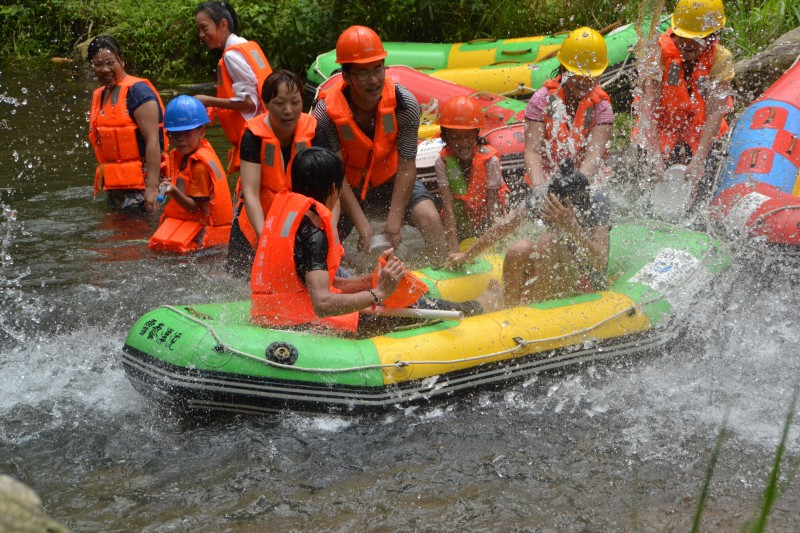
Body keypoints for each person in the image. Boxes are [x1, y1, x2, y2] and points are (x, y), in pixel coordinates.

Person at [251, 147, 483, 335]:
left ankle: (472, 305)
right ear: (334, 189)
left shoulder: (294, 221)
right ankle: (476, 307)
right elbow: (322, 303)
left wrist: (370, 280)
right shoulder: (314, 235)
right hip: (300, 322)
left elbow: (321, 283)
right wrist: (379, 292)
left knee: (396, 299)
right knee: (410, 308)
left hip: (275, 312)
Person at [312, 25, 448, 263]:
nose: (373, 80)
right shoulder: (325, 114)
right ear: (346, 76)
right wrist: (364, 228)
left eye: (378, 69)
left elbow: (407, 168)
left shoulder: (404, 104)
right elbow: (335, 176)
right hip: (347, 187)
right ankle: (338, 276)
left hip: (391, 179)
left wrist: (393, 226)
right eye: (363, 73)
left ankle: (436, 273)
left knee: (429, 217)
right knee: (324, 237)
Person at [444, 170, 610, 307]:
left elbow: (600, 261)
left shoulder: (596, 201)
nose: (554, 212)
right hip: (552, 273)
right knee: (520, 248)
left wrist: (573, 228)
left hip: (586, 280)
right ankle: (509, 307)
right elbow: (503, 227)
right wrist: (467, 255)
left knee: (549, 241)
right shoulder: (543, 198)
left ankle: (537, 307)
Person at [633, 0, 734, 197]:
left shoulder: (720, 59)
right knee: (648, 185)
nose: (687, 45)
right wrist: (654, 155)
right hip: (660, 125)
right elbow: (647, 108)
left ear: (712, 36)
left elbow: (715, 113)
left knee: (701, 186)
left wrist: (699, 160)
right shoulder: (657, 53)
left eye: (695, 39)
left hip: (698, 129)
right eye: (682, 37)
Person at [226, 70, 316, 278]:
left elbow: (329, 189)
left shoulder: (313, 130)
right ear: (265, 105)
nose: (288, 111)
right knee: (237, 280)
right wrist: (266, 240)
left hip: (298, 220)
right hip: (255, 221)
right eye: (279, 103)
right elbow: (250, 192)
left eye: (295, 102)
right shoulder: (253, 136)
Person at [522, 26, 614, 191]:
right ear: (564, 70)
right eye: (578, 76)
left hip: (585, 183)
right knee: (530, 206)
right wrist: (539, 190)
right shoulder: (541, 101)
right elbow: (532, 151)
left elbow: (594, 156)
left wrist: (576, 185)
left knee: (600, 207)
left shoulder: (602, 108)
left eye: (590, 76)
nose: (584, 82)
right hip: (545, 181)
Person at [87, 35, 167, 213]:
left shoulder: (138, 92)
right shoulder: (100, 95)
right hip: (116, 186)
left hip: (142, 185)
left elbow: (153, 141)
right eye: (98, 65)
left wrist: (152, 189)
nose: (105, 69)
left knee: (134, 238)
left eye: (110, 62)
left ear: (122, 61)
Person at [193, 1, 272, 173]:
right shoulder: (245, 45)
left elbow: (250, 102)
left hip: (257, 137)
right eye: (198, 30)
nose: (201, 34)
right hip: (267, 130)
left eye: (204, 28)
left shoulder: (231, 55)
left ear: (223, 24)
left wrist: (209, 101)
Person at [148, 95, 233, 253]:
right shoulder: (184, 156)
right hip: (194, 228)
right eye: (176, 134)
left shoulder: (199, 166)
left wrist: (173, 191)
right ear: (168, 136)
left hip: (207, 240)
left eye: (187, 133)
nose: (181, 139)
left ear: (201, 132)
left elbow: (195, 209)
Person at [435, 95, 508, 252]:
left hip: (486, 219)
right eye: (456, 138)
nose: (463, 144)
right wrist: (453, 249)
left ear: (476, 134)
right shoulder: (442, 163)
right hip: (462, 220)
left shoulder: (491, 161)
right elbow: (448, 208)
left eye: (468, 137)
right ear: (446, 138)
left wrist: (495, 247)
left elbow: (492, 208)